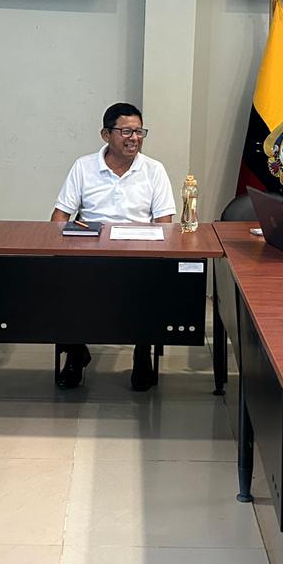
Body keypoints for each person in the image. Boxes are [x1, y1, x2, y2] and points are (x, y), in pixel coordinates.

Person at [50, 102, 176, 391]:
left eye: (139, 131)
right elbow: (60, 216)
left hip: (138, 254)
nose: (134, 138)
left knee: (151, 280)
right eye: (126, 132)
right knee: (60, 277)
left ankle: (142, 351)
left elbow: (165, 224)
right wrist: (58, 246)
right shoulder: (84, 167)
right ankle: (75, 352)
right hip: (90, 251)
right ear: (106, 134)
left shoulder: (154, 170)